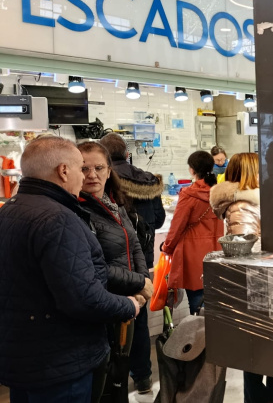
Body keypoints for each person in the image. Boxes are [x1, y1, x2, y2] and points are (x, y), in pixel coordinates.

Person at [0, 136, 139, 402]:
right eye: (80, 168)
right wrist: (128, 305)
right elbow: (82, 298)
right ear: (63, 171)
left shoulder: (10, 210)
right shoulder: (57, 219)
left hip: (22, 356)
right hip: (59, 361)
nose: (86, 176)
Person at [77, 142, 152, 402]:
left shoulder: (115, 205)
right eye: (84, 168)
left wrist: (143, 284)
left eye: (98, 167)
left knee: (121, 368)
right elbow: (91, 267)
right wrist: (140, 282)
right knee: (107, 377)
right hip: (105, 303)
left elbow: (136, 247)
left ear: (109, 171)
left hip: (129, 300)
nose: (91, 174)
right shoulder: (77, 211)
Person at [208, 153, 273, 403]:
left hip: (267, 282)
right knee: (256, 355)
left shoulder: (256, 201)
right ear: (250, 172)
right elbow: (245, 251)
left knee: (267, 354)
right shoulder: (241, 206)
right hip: (257, 286)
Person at [98, 133, 161, 394]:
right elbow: (158, 219)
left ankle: (114, 385)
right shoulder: (147, 180)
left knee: (111, 326)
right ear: (126, 153)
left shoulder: (105, 182)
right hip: (142, 261)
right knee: (140, 320)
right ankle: (144, 377)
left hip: (111, 263)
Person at [162, 151, 224, 315]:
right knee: (217, 304)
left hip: (194, 254)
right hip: (219, 252)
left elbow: (177, 225)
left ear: (191, 170)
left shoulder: (189, 194)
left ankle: (198, 338)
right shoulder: (220, 192)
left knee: (197, 306)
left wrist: (167, 247)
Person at [210, 153, 261, 241]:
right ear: (250, 175)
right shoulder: (243, 208)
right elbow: (244, 246)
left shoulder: (251, 203)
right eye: (259, 172)